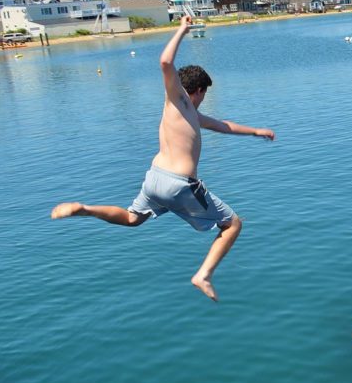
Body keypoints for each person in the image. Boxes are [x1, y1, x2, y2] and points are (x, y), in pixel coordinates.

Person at [50, 15, 275, 301]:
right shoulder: (178, 99)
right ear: (199, 90)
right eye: (205, 93)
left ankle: (86, 209)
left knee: (133, 218)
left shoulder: (189, 112)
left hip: (155, 178)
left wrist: (256, 131)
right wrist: (182, 29)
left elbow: (223, 125)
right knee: (233, 224)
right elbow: (165, 63)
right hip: (180, 183)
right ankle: (203, 275)